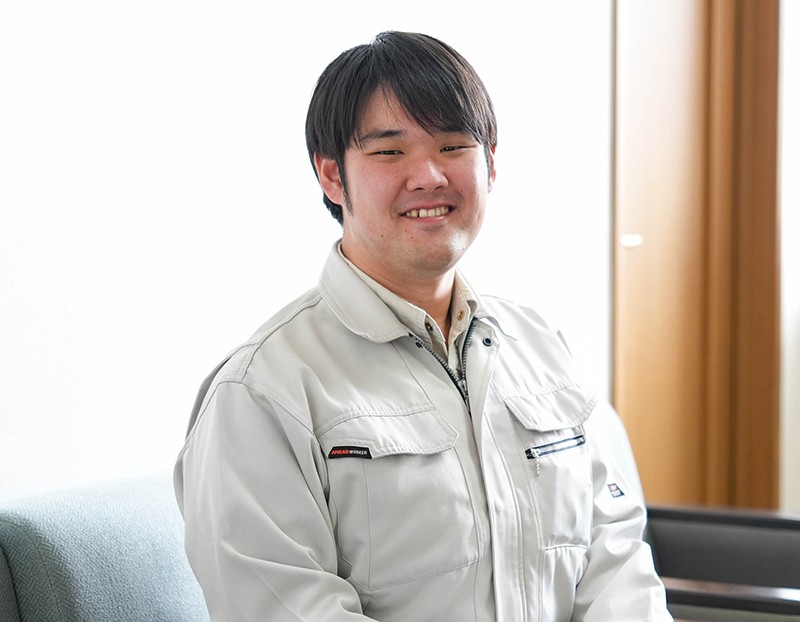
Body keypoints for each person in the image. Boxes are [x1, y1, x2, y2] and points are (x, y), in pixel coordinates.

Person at [174, 31, 673, 621]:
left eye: (453, 145)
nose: (429, 176)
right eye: (390, 152)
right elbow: (287, 608)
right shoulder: (261, 391)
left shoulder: (542, 348)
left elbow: (615, 555)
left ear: (490, 163)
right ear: (331, 175)